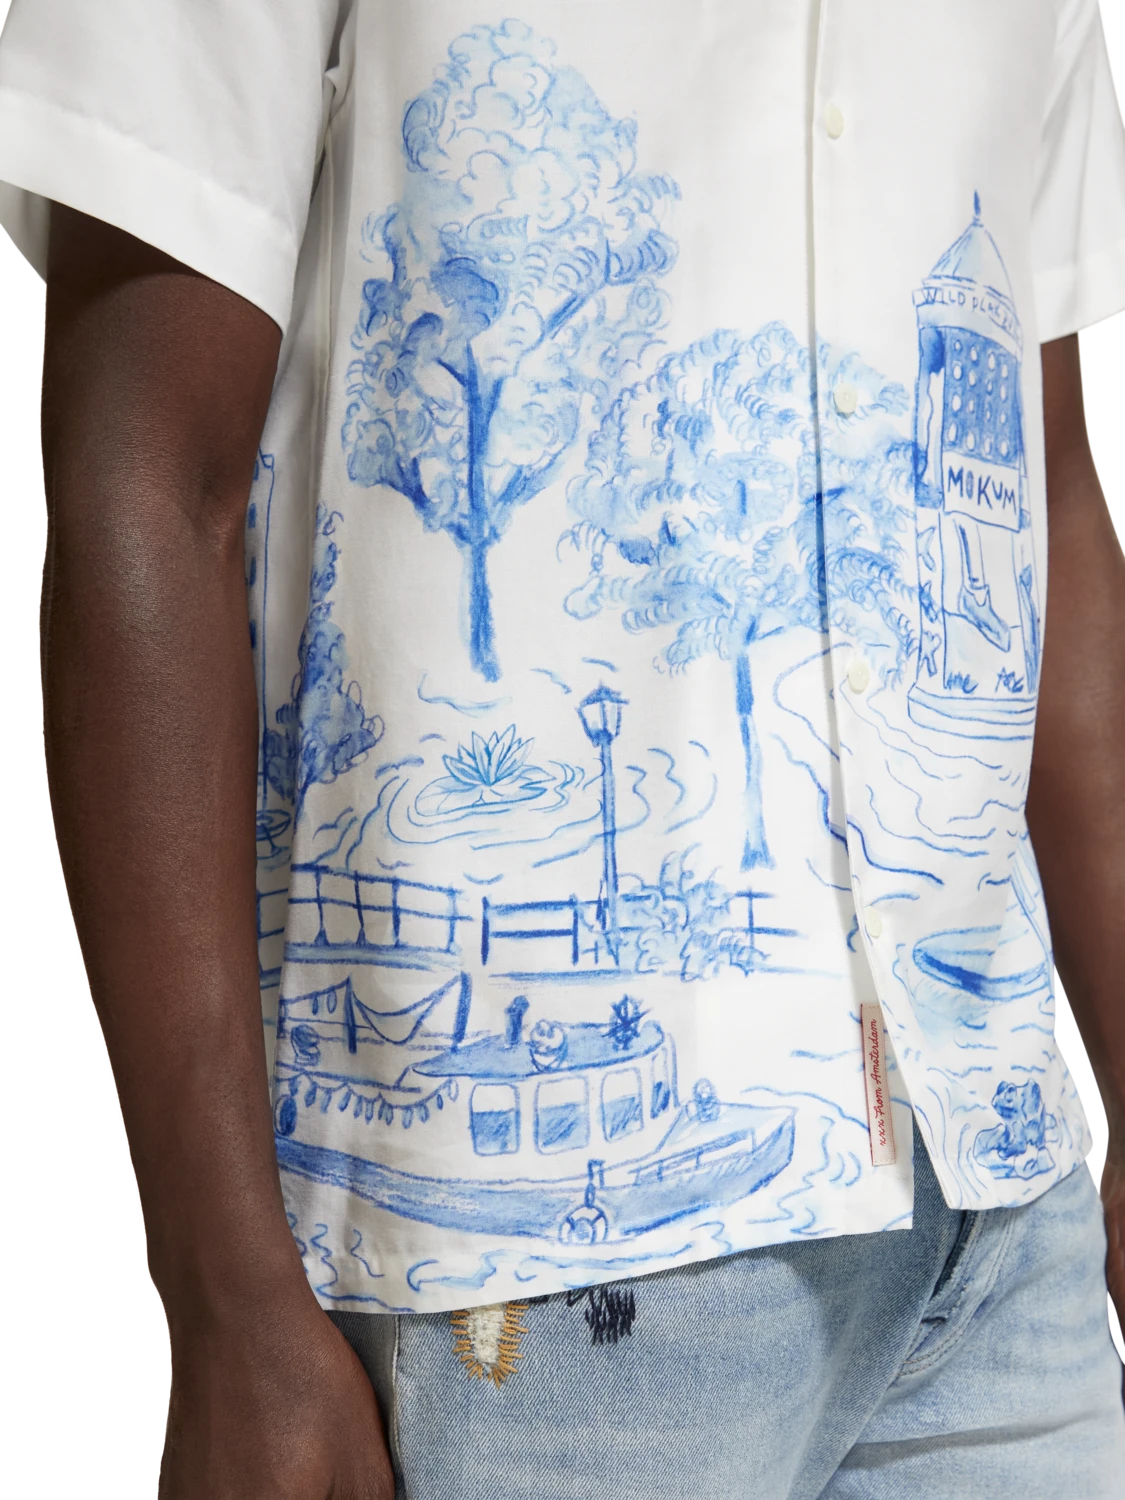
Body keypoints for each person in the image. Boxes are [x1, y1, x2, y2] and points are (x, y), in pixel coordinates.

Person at [2, 1, 1124, 1495]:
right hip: (533, 1283)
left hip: (1002, 1207)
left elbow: (1047, 485)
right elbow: (145, 464)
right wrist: (227, 1306)